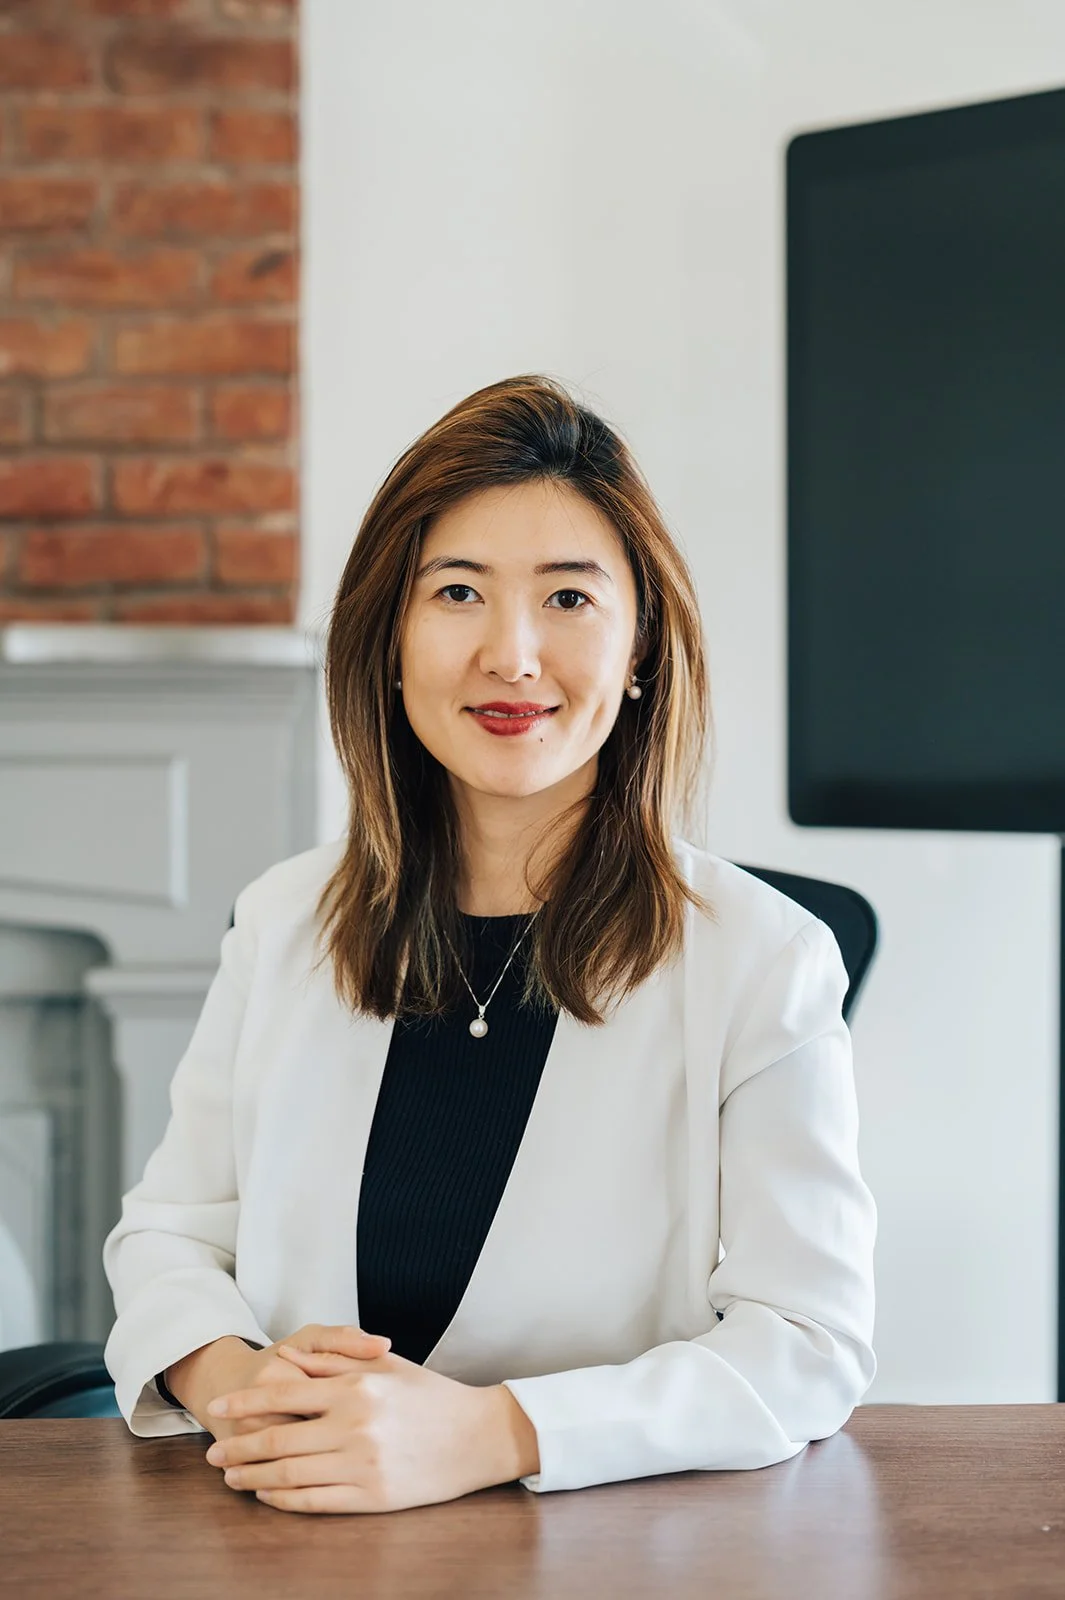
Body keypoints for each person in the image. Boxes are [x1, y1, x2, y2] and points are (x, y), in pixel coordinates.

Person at [102, 374, 877, 1516]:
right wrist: (247, 1391)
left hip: (596, 1546)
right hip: (289, 1534)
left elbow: (806, 1341)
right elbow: (169, 1236)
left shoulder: (766, 957)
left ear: (640, 645)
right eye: (458, 591)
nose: (514, 654)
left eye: (568, 599)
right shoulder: (283, 918)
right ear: (392, 638)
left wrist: (490, 1431)